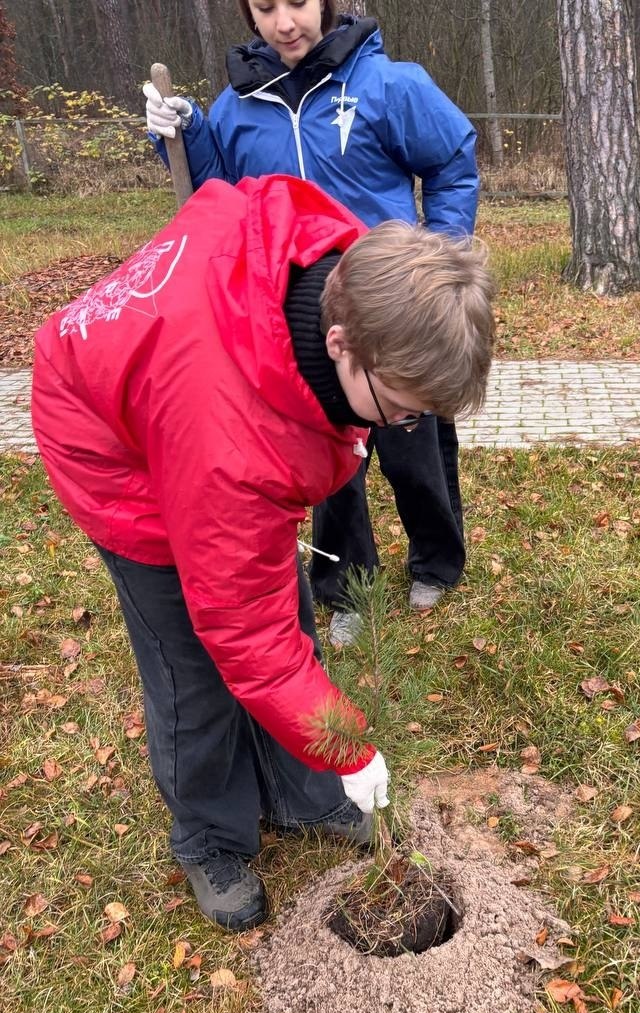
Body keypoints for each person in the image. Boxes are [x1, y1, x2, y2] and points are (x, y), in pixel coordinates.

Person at [31, 173, 495, 933]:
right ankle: (209, 836)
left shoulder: (356, 269)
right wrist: (350, 748)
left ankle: (297, 794)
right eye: (403, 409)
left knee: (285, 614)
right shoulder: (229, 443)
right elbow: (247, 638)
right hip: (113, 447)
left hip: (180, 391)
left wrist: (327, 748)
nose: (403, 428)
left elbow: (270, 610)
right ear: (341, 344)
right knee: (192, 667)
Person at [143, 0, 480, 646]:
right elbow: (219, 199)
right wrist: (186, 135)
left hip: (393, 305)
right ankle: (345, 587)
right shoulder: (237, 108)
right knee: (328, 470)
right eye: (265, 7)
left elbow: (451, 158)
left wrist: (439, 256)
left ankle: (436, 560)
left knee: (414, 446)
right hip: (296, 323)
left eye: (296, 2)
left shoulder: (386, 84)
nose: (284, 22)